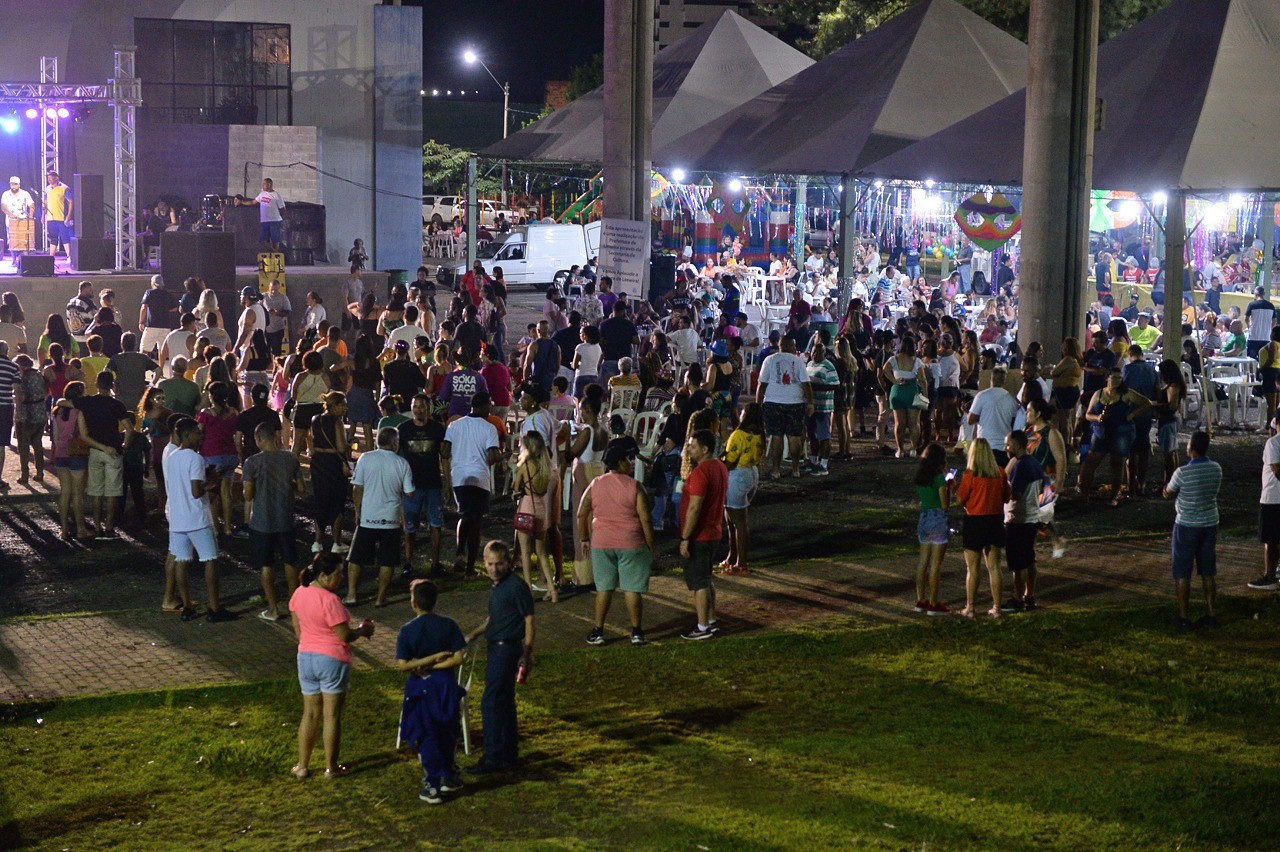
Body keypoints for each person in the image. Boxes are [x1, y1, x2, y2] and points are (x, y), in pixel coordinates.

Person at [289, 552, 376, 779]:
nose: (342, 578)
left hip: (305, 657)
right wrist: (363, 630)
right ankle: (331, 767)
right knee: (331, 716)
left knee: (309, 714)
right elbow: (344, 635)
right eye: (338, 573)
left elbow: (297, 627)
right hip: (331, 659)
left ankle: (302, 766)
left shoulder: (299, 593)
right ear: (324, 575)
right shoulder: (330, 601)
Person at [395, 579, 467, 804]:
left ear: (413, 602)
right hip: (445, 686)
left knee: (427, 733)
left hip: (421, 687)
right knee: (447, 730)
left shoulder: (407, 631)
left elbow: (402, 665)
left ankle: (432, 784)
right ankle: (449, 775)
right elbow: (458, 658)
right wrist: (435, 661)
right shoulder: (449, 625)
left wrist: (423, 663)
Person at [468, 540, 534, 774]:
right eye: (490, 564)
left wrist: (527, 653)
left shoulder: (515, 587)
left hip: (506, 650)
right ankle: (508, 752)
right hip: (497, 647)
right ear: (484, 563)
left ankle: (493, 757)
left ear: (509, 562)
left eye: (499, 564)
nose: (494, 569)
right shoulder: (498, 587)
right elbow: (494, 619)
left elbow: (529, 619)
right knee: (504, 702)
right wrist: (472, 636)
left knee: (492, 703)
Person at [164, 417, 230, 621]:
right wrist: (211, 483)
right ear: (187, 435)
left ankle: (187, 606)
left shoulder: (171, 457)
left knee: (181, 561)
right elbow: (195, 491)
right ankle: (214, 608)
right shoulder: (195, 459)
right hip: (196, 518)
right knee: (210, 559)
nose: (201, 436)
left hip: (177, 519)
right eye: (197, 432)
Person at [242, 421, 305, 620]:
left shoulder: (252, 462)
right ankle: (294, 607)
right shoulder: (291, 458)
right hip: (285, 517)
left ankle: (273, 609)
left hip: (262, 521)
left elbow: (248, 494)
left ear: (259, 439)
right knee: (290, 562)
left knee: (266, 565)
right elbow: (302, 488)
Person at [346, 426, 415, 606]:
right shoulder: (402, 463)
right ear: (394, 442)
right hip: (391, 519)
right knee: (387, 560)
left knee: (356, 558)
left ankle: (352, 594)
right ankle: (380, 597)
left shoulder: (366, 458)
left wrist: (357, 510)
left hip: (368, 517)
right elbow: (409, 493)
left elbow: (357, 488)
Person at [1163, 431, 1222, 631]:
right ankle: (1211, 614)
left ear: (1191, 448)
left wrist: (1166, 492)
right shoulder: (1216, 469)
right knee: (1208, 571)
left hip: (1187, 525)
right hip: (1209, 523)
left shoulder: (1182, 472)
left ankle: (1183, 617)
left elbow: (1169, 493)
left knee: (1182, 572)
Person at [442, 392, 500, 573]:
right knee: (475, 522)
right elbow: (492, 457)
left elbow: (444, 451)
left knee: (465, 516)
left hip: (459, 477)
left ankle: (460, 553)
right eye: (489, 405)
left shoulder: (454, 425)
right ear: (483, 406)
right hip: (479, 478)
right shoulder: (489, 428)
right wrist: (503, 456)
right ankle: (470, 568)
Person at [953, 438, 1011, 619]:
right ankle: (997, 607)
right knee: (994, 567)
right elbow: (1007, 498)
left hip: (975, 522)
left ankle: (970, 608)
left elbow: (959, 500)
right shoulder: (1000, 473)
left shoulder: (969, 476)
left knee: (973, 568)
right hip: (994, 521)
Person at [679, 429, 728, 640]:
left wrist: (685, 537)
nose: (689, 449)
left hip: (700, 535)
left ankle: (702, 627)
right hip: (714, 531)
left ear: (705, 449)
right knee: (707, 580)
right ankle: (711, 621)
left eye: (693, 445)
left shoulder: (701, 473)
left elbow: (694, 508)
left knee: (699, 583)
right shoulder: (720, 467)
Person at [1079, 368, 1152, 505]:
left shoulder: (1126, 393)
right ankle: (1084, 494)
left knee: (1117, 463)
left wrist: (1132, 415)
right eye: (1114, 377)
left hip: (1121, 432)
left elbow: (1146, 402)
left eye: (1120, 378)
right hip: (1101, 432)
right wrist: (1097, 417)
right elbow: (1088, 414)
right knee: (1091, 462)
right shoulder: (1098, 394)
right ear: (1107, 378)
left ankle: (1114, 496)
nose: (1118, 380)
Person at [76, 371, 131, 538]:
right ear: (112, 385)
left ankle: (97, 525)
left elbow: (64, 402)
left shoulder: (88, 403)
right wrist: (124, 446)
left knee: (96, 491)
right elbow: (129, 429)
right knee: (112, 493)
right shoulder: (117, 405)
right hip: (113, 450)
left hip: (94, 450)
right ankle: (109, 527)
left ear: (97, 384)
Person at [400, 394, 448, 577]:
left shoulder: (437, 429)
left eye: (422, 406)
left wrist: (447, 483)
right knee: (409, 527)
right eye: (415, 405)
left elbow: (444, 457)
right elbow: (396, 457)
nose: (419, 409)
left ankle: (436, 563)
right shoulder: (403, 429)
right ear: (411, 407)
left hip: (433, 483)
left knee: (435, 524)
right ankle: (408, 563)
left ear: (429, 408)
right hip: (410, 486)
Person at [1001, 430, 1046, 613]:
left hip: (1018, 519)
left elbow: (1017, 494)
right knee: (1029, 559)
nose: (1006, 448)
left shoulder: (1020, 466)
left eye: (1008, 444)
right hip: (1032, 517)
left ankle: (1017, 599)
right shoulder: (1034, 463)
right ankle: (1029, 595)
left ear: (1017, 446)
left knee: (1018, 563)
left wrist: (1004, 488)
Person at [756, 336, 813, 479]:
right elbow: (806, 384)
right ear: (791, 346)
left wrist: (758, 404)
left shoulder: (769, 360)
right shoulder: (798, 361)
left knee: (776, 437)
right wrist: (810, 402)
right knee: (794, 437)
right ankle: (795, 469)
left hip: (773, 402)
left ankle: (775, 470)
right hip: (795, 402)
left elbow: (761, 384)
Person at [721, 402, 763, 574]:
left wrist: (718, 462)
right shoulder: (760, 433)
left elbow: (730, 463)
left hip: (737, 476)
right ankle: (732, 556)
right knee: (732, 520)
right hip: (752, 473)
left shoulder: (738, 435)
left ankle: (741, 563)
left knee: (739, 522)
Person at [912, 443, 951, 616]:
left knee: (923, 562)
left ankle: (921, 600)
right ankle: (934, 604)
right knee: (935, 564)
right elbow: (944, 505)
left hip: (924, 517)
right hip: (937, 519)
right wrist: (950, 487)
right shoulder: (939, 478)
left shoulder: (921, 476)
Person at [310, 391, 350, 556]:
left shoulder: (315, 419)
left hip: (318, 462)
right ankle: (336, 542)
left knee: (321, 501)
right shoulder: (337, 422)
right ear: (336, 406)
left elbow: (312, 442)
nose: (346, 408)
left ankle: (317, 542)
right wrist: (350, 444)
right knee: (336, 502)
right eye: (344, 405)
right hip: (333, 463)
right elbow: (341, 448)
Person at [1249, 413, 1280, 591]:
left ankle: (1269, 576)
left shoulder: (1273, 443)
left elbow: (1276, 469)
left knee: (1270, 540)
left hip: (1273, 497)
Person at [968, 366, 1020, 466]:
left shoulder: (981, 396)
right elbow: (1013, 423)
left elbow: (970, 420)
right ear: (1004, 381)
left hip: (985, 447)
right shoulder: (1011, 400)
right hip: (1004, 448)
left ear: (991, 379)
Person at [238, 177, 286, 252]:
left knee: (275, 241)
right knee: (263, 240)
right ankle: (275, 253)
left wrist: (278, 217)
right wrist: (241, 202)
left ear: (269, 185)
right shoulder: (262, 194)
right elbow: (253, 202)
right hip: (264, 222)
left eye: (264, 184)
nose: (262, 186)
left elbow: (283, 209)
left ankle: (275, 259)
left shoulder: (276, 195)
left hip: (275, 221)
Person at [139, 274, 179, 357]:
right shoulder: (168, 294)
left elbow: (144, 307)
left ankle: (141, 367)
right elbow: (175, 308)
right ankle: (161, 367)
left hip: (152, 325)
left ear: (153, 283)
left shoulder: (149, 292)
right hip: (165, 325)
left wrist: (141, 322)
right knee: (162, 349)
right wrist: (165, 309)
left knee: (144, 349)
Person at [262, 278, 292, 356]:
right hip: (266, 329)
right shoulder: (264, 296)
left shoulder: (283, 298)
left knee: (276, 351)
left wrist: (278, 313)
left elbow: (288, 312)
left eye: (275, 290)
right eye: (272, 289)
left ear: (279, 289)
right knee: (265, 352)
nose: (273, 292)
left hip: (278, 329)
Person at [1245, 286, 1276, 359]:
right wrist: (1270, 329)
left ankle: (1253, 371)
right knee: (1264, 359)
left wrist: (1249, 326)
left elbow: (1246, 318)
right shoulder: (1271, 306)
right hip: (1266, 337)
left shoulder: (1252, 305)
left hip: (1254, 336)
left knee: (1251, 360)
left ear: (1255, 294)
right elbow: (1274, 320)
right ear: (1264, 294)